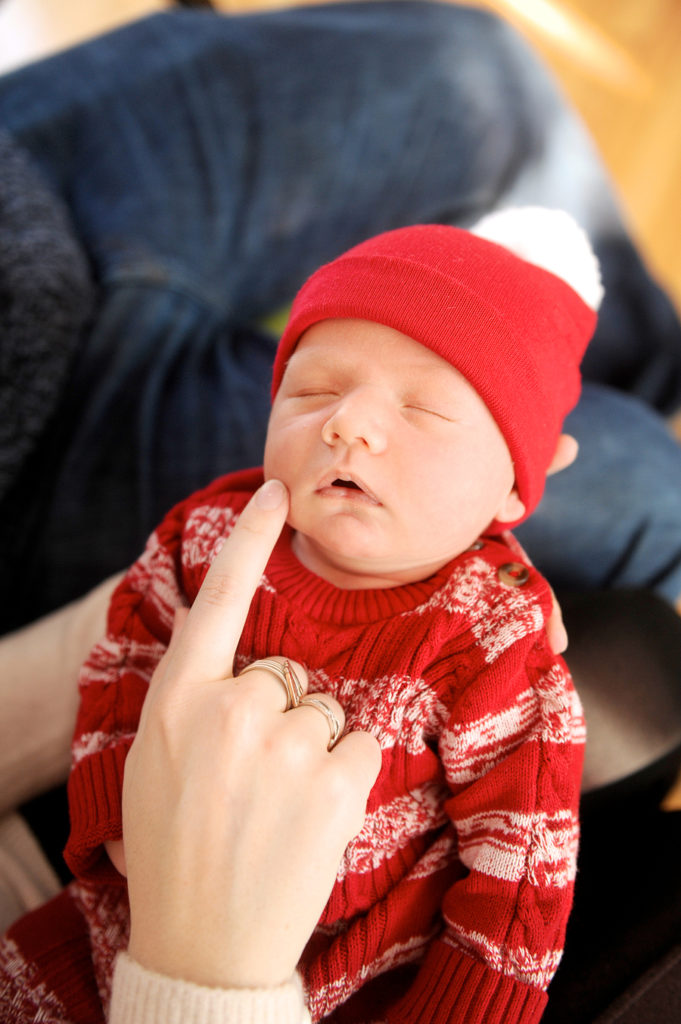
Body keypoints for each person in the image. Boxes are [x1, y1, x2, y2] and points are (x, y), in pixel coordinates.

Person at [33, 207, 590, 1024]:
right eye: (312, 389)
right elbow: (122, 660)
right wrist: (119, 808)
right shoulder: (209, 535)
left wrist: (466, 1005)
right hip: (115, 918)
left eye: (424, 411)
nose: (346, 423)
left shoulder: (495, 641)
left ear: (513, 490)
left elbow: (523, 865)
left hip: (349, 983)